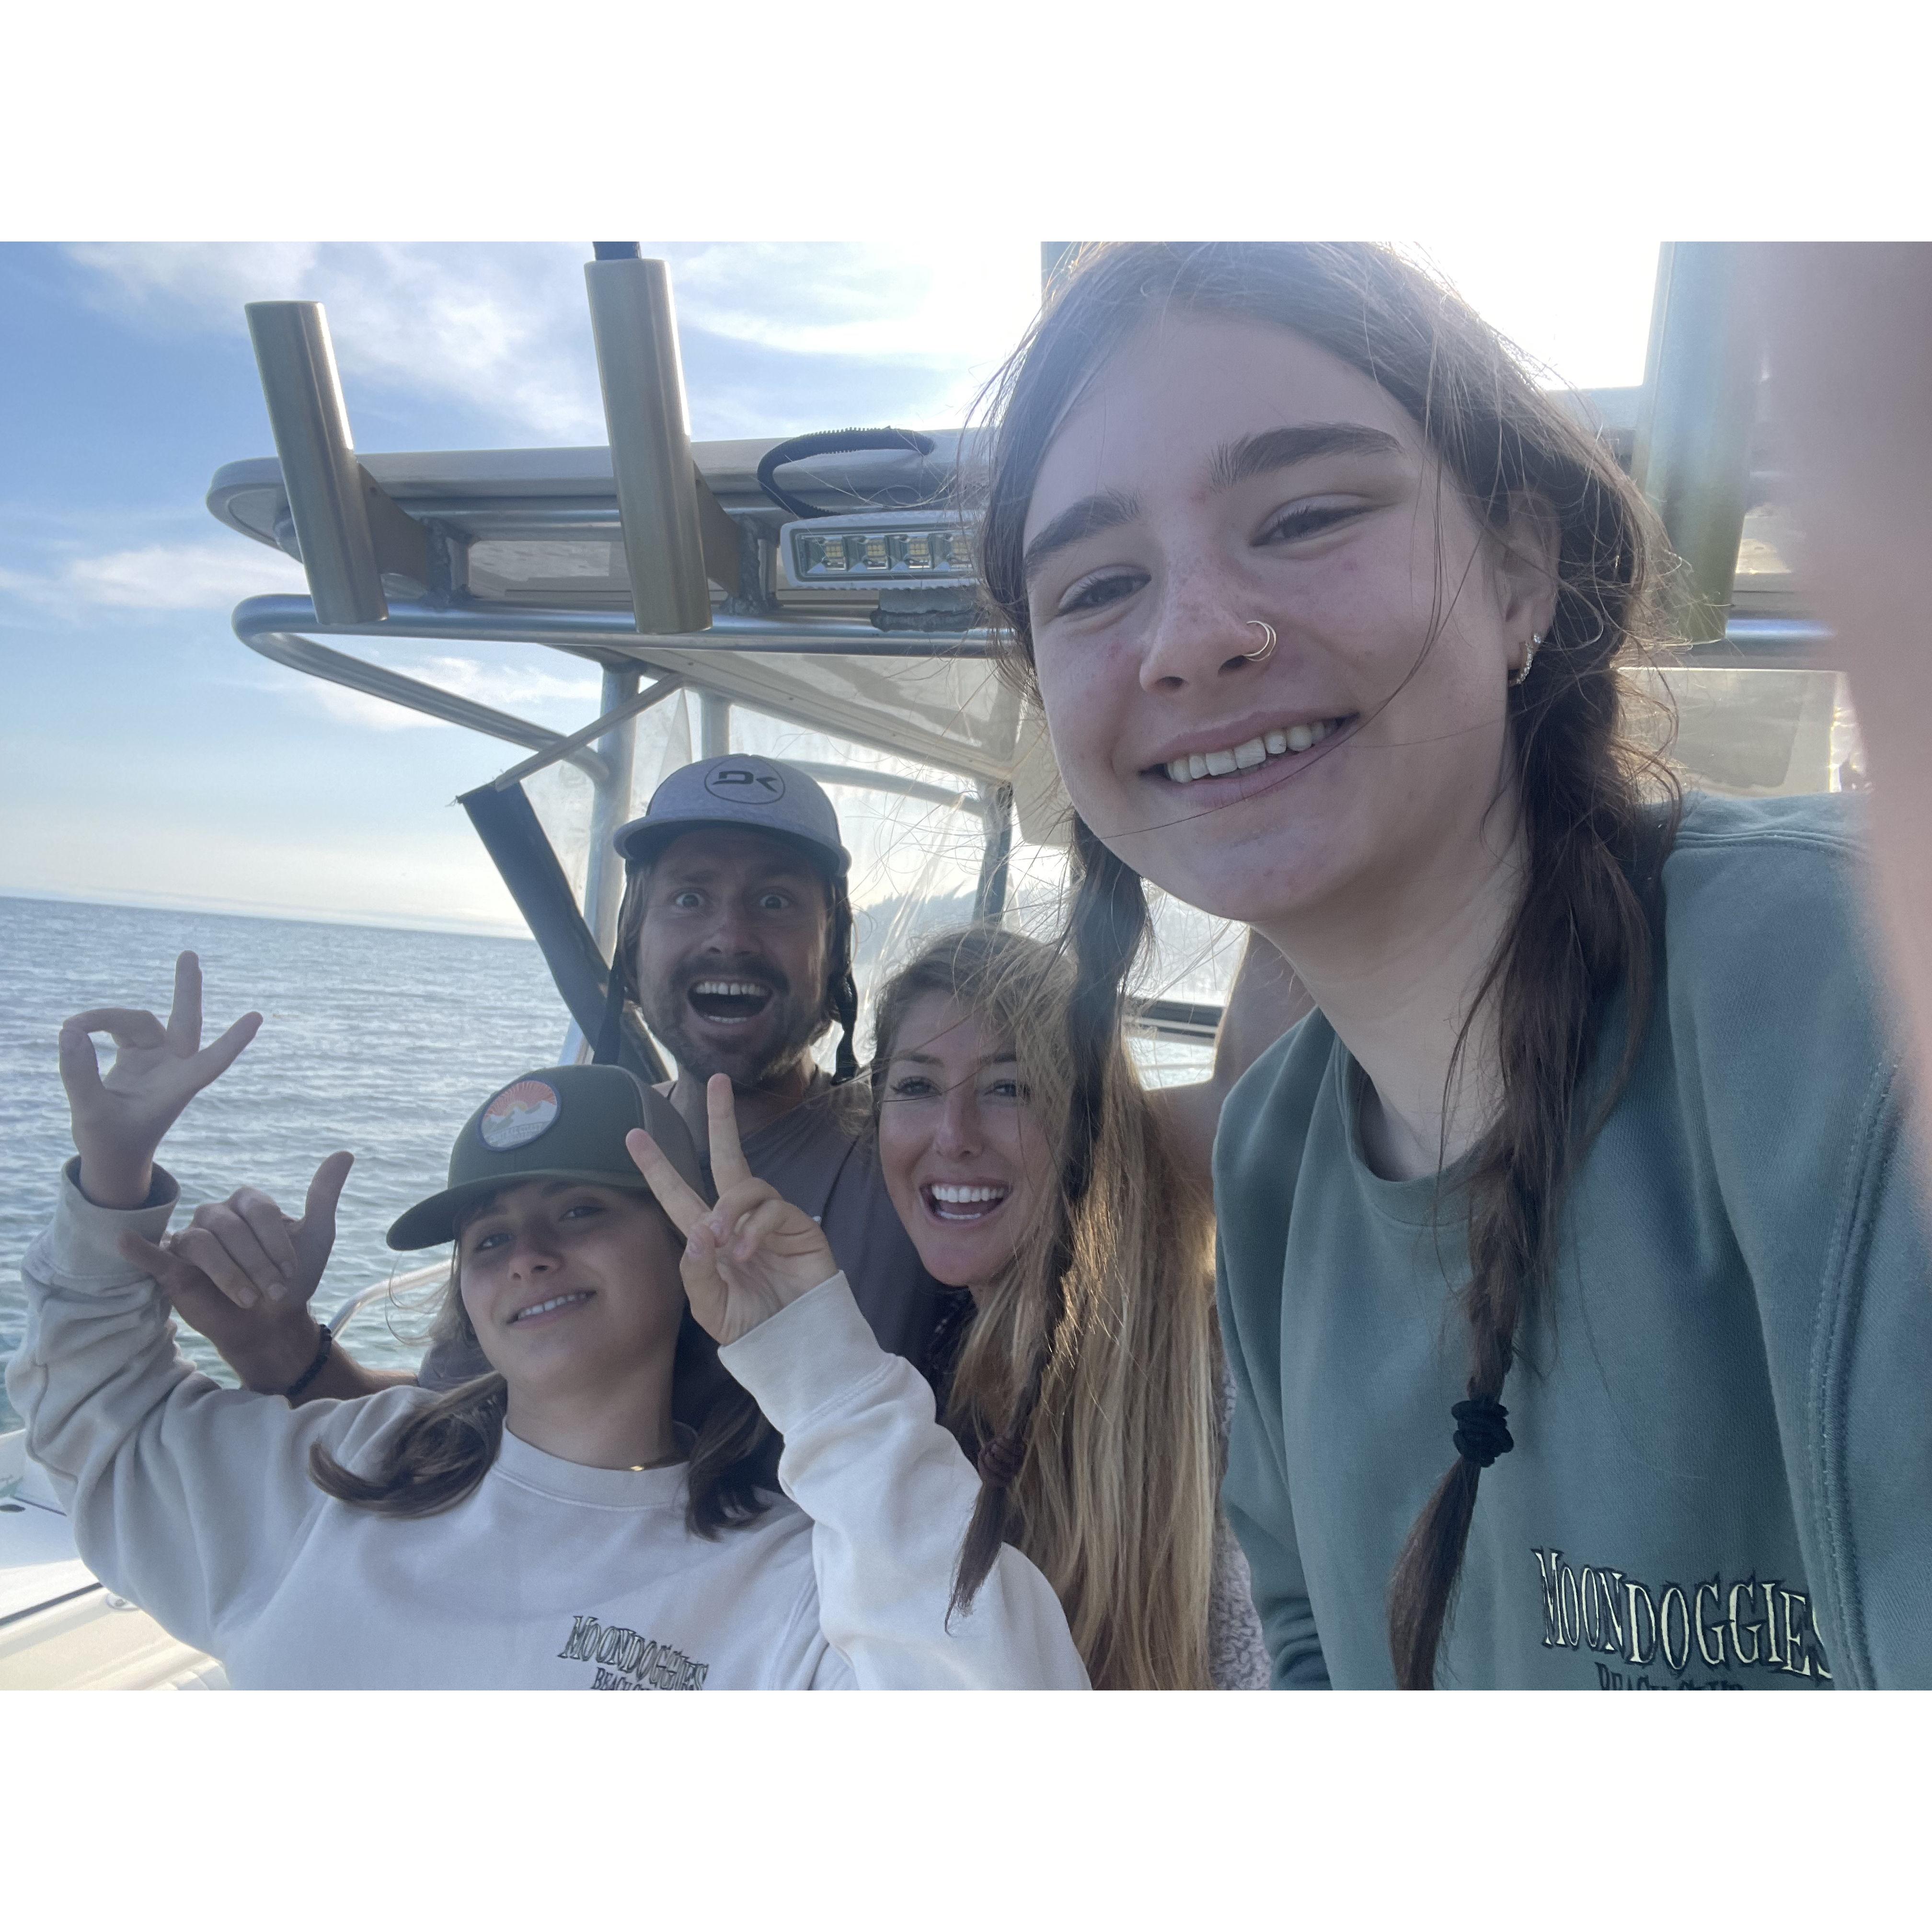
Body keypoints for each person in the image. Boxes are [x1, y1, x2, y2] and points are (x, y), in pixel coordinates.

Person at [973, 241, 1932, 1689]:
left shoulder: (1850, 985)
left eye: (1305, 516)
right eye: (1099, 586)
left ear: (1521, 570)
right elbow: (1312, 1637)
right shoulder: (1273, 1164)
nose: (1193, 640)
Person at [9, 953, 1088, 1690]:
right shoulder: (332, 1474)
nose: (526, 1253)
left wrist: (820, 1365)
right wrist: (113, 1179)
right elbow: (96, 1427)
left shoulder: (796, 1580)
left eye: (579, 1212)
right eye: (487, 1238)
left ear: (684, 1251)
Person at [164, 752, 1307, 1410]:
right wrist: (284, 1351)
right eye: (688, 898)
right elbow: (462, 1432)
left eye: (774, 901)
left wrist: (1286, 846)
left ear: (833, 951)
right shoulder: (558, 1171)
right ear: (634, 944)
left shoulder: (921, 1148)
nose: (728, 934)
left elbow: (1253, 1114)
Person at [869, 924, 1268, 1690]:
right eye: (916, 1087)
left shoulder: (1215, 1376)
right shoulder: (926, 1346)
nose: (953, 1136)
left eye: (1010, 1088)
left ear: (1088, 1126)